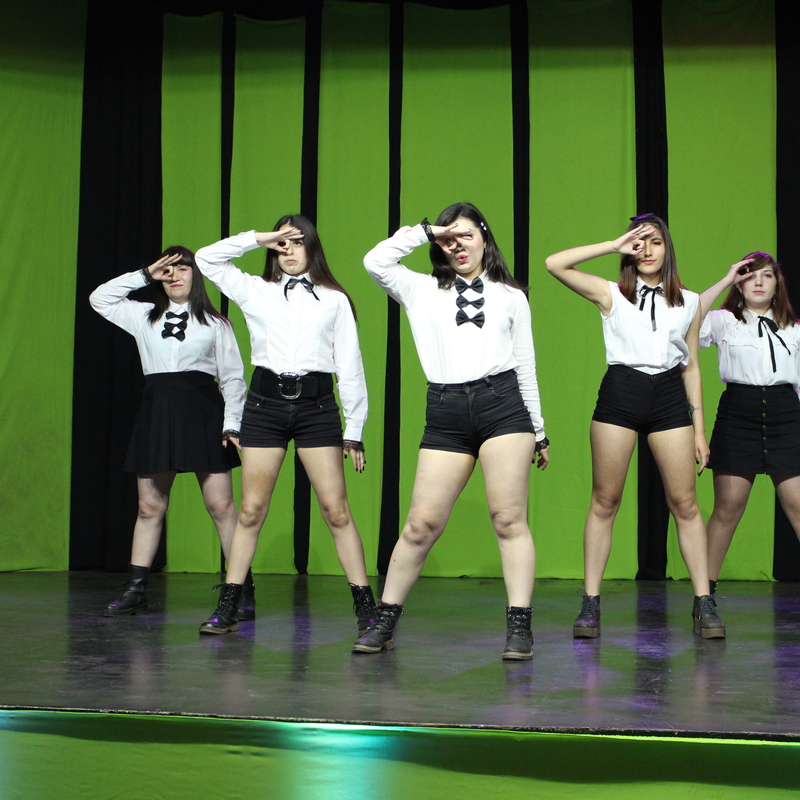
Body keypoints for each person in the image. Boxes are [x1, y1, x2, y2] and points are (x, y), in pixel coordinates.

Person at [354, 202, 549, 661]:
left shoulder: (511, 296)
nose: (457, 245)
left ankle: (519, 627)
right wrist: (425, 230)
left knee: (508, 518)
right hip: (446, 409)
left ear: (484, 236)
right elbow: (374, 261)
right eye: (448, 239)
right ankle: (385, 621)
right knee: (420, 524)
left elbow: (525, 366)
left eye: (465, 235)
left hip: (503, 405)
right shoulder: (419, 289)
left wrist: (538, 430)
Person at [545, 214, 725, 639]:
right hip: (621, 392)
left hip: (668, 397)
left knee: (685, 503)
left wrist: (699, 430)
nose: (647, 249)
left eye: (655, 241)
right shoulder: (611, 294)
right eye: (639, 242)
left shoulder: (690, 301)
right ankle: (591, 602)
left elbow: (691, 366)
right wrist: (613, 244)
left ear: (668, 249)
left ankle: (704, 601)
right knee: (605, 500)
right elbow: (555, 263)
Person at [193, 216, 373, 635]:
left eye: (297, 242)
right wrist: (260, 238)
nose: (289, 250)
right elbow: (206, 259)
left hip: (316, 407)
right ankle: (229, 604)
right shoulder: (255, 290)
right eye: (282, 244)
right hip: (265, 406)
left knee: (336, 511)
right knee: (251, 510)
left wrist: (354, 428)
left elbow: (350, 365)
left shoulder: (334, 300)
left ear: (313, 247)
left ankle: (366, 609)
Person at [90, 247, 246, 617]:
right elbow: (99, 298)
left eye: (182, 268)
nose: (174, 276)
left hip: (203, 412)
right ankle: (136, 589)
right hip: (157, 412)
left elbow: (233, 379)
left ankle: (241, 590)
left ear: (196, 274)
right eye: (167, 270)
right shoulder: (142, 315)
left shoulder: (216, 324)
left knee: (221, 506)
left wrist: (231, 424)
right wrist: (145, 274)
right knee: (149, 506)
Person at [699, 252, 800, 597]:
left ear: (777, 285)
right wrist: (726, 279)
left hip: (786, 414)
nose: (758, 282)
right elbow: (686, 320)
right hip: (738, 414)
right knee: (728, 508)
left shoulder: (794, 329)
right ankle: (704, 596)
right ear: (740, 284)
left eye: (766, 275)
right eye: (749, 275)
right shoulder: (723, 321)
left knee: (797, 506)